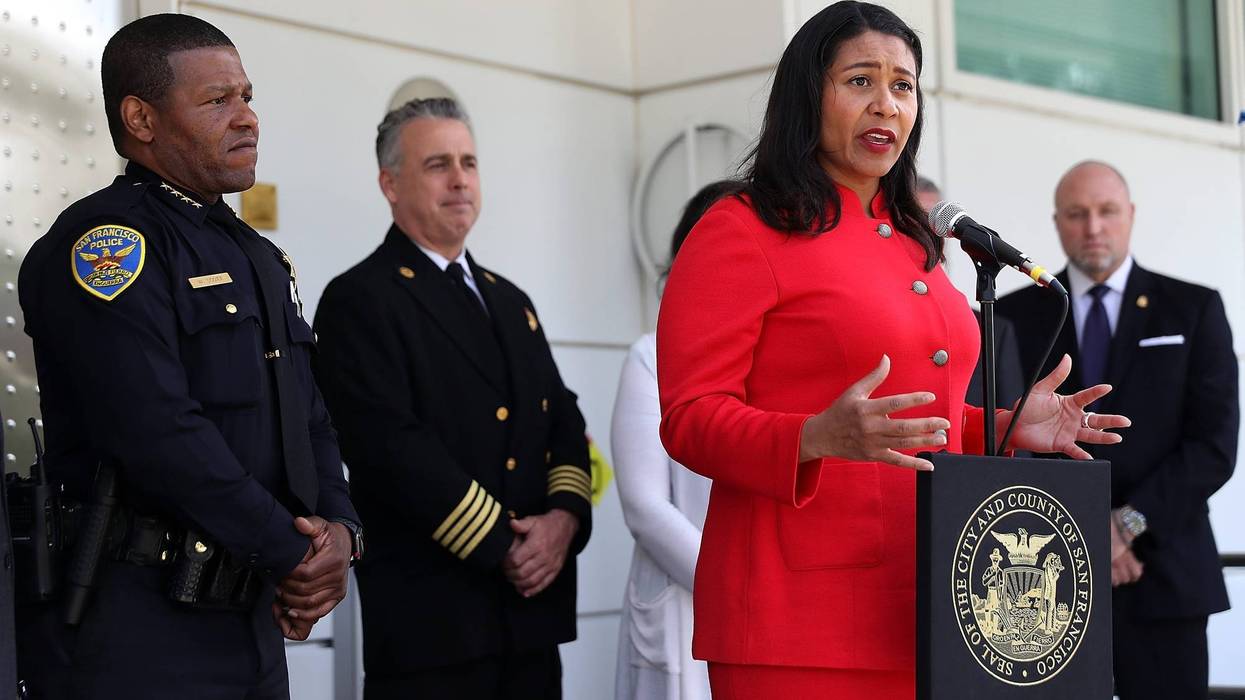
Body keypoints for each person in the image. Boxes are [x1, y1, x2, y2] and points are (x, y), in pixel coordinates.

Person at [655, 3, 1130, 697]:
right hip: (798, 621)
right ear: (807, 94)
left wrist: (1000, 424)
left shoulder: (913, 235)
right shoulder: (742, 227)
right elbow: (689, 416)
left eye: (903, 85)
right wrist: (811, 437)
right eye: (859, 81)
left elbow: (909, 419)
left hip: (932, 600)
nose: (885, 103)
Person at [13, 14, 360, 698]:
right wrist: (296, 553)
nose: (248, 118)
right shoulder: (106, 244)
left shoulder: (255, 254)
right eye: (217, 101)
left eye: (248, 96)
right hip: (140, 628)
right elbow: (155, 430)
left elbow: (310, 417)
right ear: (141, 118)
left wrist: (341, 533)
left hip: (250, 617)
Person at [312, 97, 592, 700]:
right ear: (390, 183)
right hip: (433, 630)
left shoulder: (510, 300)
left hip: (530, 620)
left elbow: (563, 420)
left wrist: (563, 523)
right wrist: (504, 545)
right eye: (438, 164)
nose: (460, 178)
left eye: (469, 161)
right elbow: (391, 450)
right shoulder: (360, 299)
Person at [996, 160, 1237, 700]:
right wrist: (1085, 533)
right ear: (1057, 221)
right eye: (1077, 214)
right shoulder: (1011, 317)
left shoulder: (1193, 309)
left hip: (1166, 573)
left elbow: (1214, 446)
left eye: (1107, 212)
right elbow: (1004, 448)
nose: (1093, 227)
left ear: (1130, 215)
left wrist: (1125, 526)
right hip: (1043, 579)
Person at [613, 180, 738, 700]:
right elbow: (645, 507)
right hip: (685, 599)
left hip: (768, 602)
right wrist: (734, 583)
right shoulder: (651, 354)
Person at [916, 176, 1026, 410]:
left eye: (933, 224)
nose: (924, 234)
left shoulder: (993, 330)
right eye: (913, 221)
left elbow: (1013, 437)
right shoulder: (863, 321)